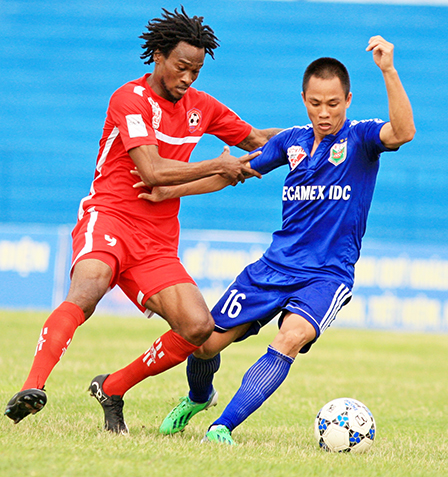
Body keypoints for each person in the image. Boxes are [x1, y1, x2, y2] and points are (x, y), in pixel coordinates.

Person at [4, 7, 280, 433]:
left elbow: (258, 140)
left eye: (196, 70)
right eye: (181, 66)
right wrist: (217, 166)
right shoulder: (129, 99)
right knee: (88, 290)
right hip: (109, 217)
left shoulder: (202, 106)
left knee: (198, 327)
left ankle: (112, 387)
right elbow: (151, 171)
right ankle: (32, 386)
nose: (188, 77)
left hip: (157, 239)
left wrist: (315, 136)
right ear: (158, 56)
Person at [143, 36, 415, 444]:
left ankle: (221, 428)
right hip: (273, 267)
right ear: (304, 99)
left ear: (348, 100)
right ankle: (199, 397)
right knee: (204, 344)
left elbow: (404, 131)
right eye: (316, 103)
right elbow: (233, 173)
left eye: (334, 104)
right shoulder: (291, 141)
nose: (324, 113)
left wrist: (388, 70)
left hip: (326, 275)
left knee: (289, 338)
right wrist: (170, 191)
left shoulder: (361, 139)